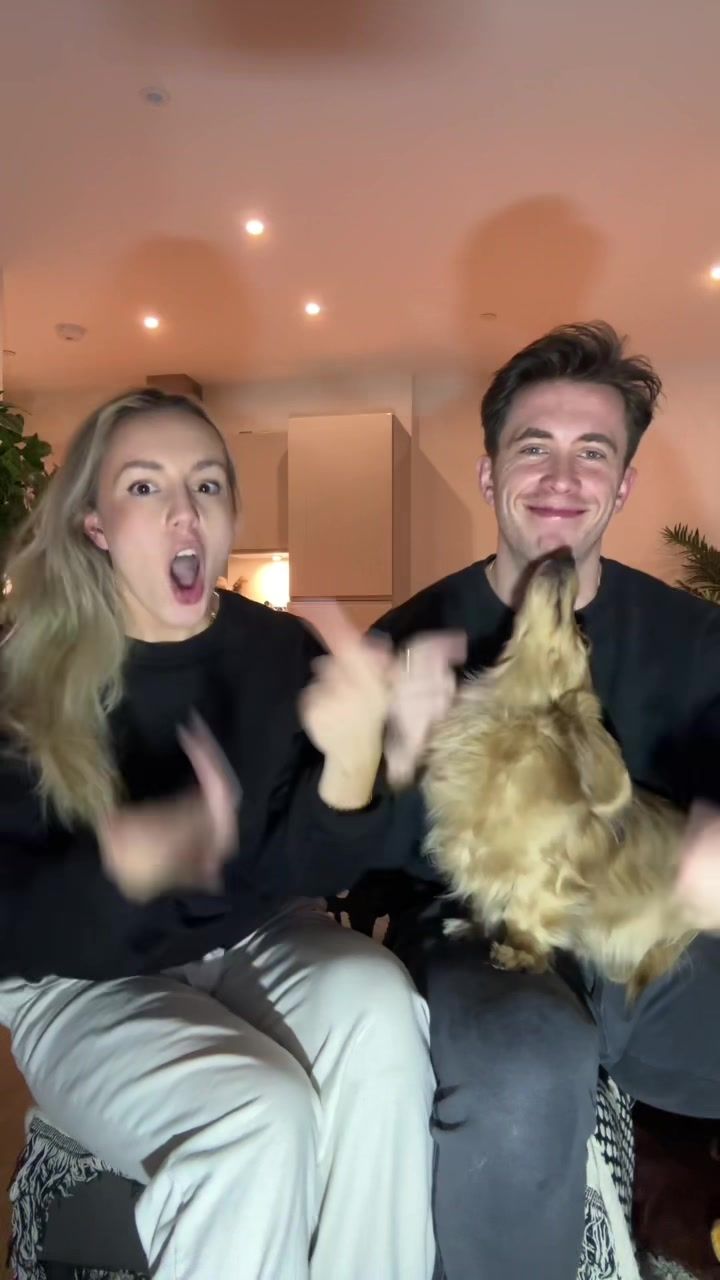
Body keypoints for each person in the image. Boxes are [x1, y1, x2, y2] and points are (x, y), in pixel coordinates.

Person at [0, 388, 438, 1280]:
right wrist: (122, 867)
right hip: (73, 980)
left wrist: (364, 763)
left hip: (252, 936)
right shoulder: (22, 674)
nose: (185, 512)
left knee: (380, 1007)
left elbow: (306, 867)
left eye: (206, 485)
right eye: (145, 486)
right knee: (257, 1113)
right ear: (93, 523)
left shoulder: (279, 650)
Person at [374, 322, 720, 1280]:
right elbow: (347, 855)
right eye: (535, 448)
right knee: (523, 1068)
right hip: (480, 939)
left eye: (593, 452)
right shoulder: (409, 640)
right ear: (490, 475)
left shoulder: (699, 642)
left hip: (660, 934)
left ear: (624, 484)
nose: (563, 478)